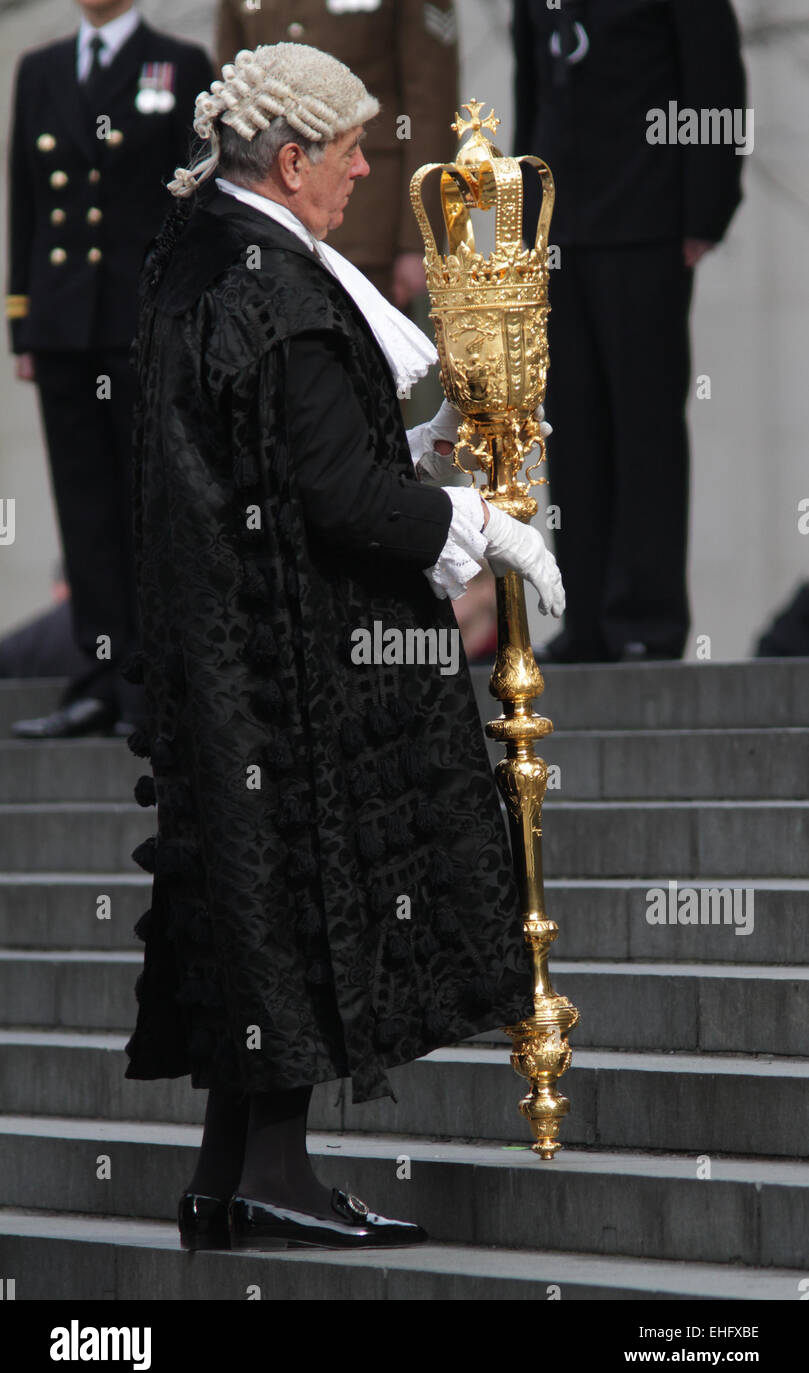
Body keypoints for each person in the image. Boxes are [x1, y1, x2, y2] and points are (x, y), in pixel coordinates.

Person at [121, 42, 565, 1252]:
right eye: (353, 151)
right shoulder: (274, 284)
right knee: (296, 906)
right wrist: (477, 523)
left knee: (254, 913)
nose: (367, 170)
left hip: (230, 663)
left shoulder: (202, 255)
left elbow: (283, 454)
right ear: (292, 157)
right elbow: (333, 497)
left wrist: (409, 452)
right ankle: (269, 1175)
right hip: (286, 673)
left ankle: (235, 1179)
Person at [512, 0, 747, 661]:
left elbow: (714, 81)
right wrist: (528, 226)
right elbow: (532, 90)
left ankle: (645, 620)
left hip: (647, 225)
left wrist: (703, 213)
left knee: (643, 429)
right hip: (563, 233)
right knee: (573, 427)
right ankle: (584, 618)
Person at [5, 0, 214, 736]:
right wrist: (23, 319)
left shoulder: (180, 64)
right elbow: (25, 195)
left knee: (145, 505)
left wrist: (185, 313)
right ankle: (97, 679)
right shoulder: (40, 68)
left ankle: (153, 686)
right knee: (84, 511)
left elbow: (195, 201)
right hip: (64, 322)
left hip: (141, 319)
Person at [214, 0, 459, 306]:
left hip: (366, 222)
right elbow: (231, 99)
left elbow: (429, 106)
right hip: (268, 212)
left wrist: (419, 239)